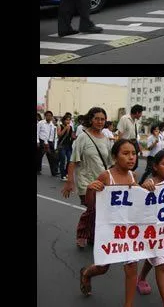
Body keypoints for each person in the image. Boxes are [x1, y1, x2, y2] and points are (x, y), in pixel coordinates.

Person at [76, 139, 139, 304]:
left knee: (132, 267)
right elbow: (91, 205)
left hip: (128, 230)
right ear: (115, 156)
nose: (131, 157)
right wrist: (91, 188)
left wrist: (145, 188)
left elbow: (138, 201)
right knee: (103, 268)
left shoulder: (133, 175)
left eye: (133, 154)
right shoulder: (106, 175)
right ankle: (87, 273)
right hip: (109, 230)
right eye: (126, 154)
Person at [63, 107, 112, 249]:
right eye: (97, 118)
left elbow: (110, 162)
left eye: (102, 119)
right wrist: (69, 182)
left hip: (101, 181)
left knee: (99, 211)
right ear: (91, 119)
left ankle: (91, 235)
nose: (100, 121)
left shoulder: (106, 139)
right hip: (85, 181)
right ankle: (82, 235)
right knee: (92, 209)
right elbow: (73, 160)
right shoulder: (83, 137)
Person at [135, 150, 164, 307]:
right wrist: (144, 188)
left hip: (162, 232)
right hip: (147, 233)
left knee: (152, 257)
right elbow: (137, 203)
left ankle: (141, 279)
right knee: (161, 263)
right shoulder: (150, 184)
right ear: (155, 166)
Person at [118, 104, 144, 171]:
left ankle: (128, 176)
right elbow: (120, 133)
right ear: (137, 112)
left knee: (135, 164)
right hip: (126, 143)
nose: (141, 115)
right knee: (126, 164)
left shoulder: (135, 121)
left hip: (134, 143)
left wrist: (139, 148)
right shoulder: (124, 118)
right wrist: (120, 146)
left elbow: (135, 135)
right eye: (141, 113)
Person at [37, 111, 58, 176]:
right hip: (42, 141)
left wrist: (54, 146)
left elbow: (54, 135)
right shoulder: (41, 123)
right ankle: (38, 170)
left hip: (50, 142)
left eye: (50, 116)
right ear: (45, 116)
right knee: (39, 156)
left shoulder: (52, 125)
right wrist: (37, 141)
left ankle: (54, 172)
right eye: (47, 115)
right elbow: (37, 132)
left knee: (53, 157)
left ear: (52, 117)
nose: (49, 117)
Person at [57, 113, 75, 181]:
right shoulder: (60, 126)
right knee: (62, 161)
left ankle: (66, 172)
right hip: (62, 145)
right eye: (67, 120)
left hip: (68, 145)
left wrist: (74, 135)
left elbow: (72, 136)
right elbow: (59, 135)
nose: (68, 121)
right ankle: (63, 175)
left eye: (69, 120)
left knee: (70, 160)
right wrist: (65, 128)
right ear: (63, 120)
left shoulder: (70, 127)